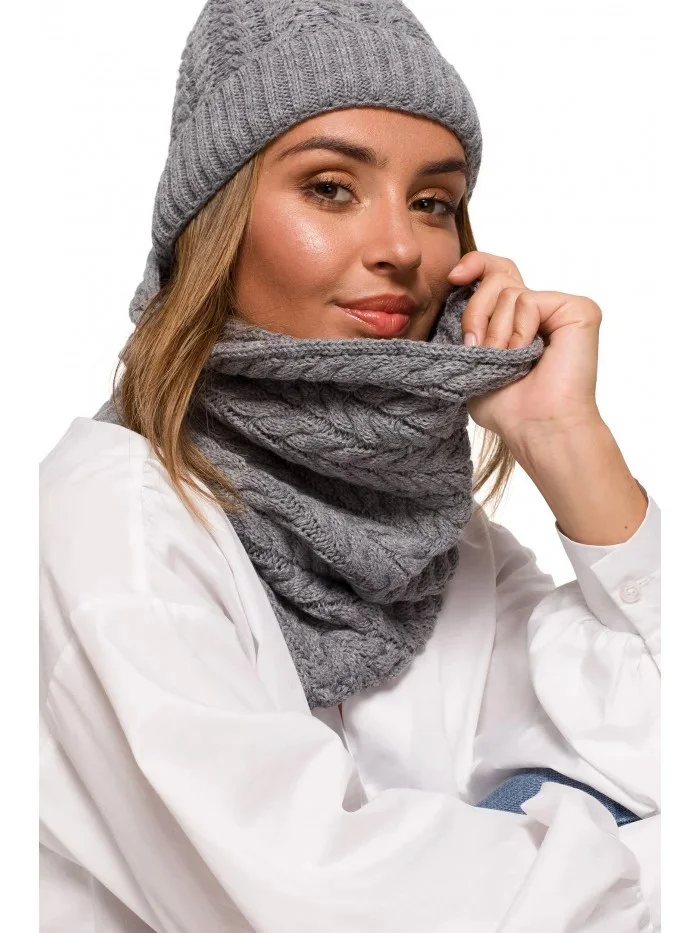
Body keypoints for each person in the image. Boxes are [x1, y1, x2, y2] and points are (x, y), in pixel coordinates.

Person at [39, 1, 660, 930]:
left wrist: (566, 438)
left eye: (433, 202)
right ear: (216, 222)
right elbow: (321, 904)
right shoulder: (111, 523)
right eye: (331, 188)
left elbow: (660, 744)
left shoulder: (434, 537)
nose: (402, 248)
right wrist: (644, 865)